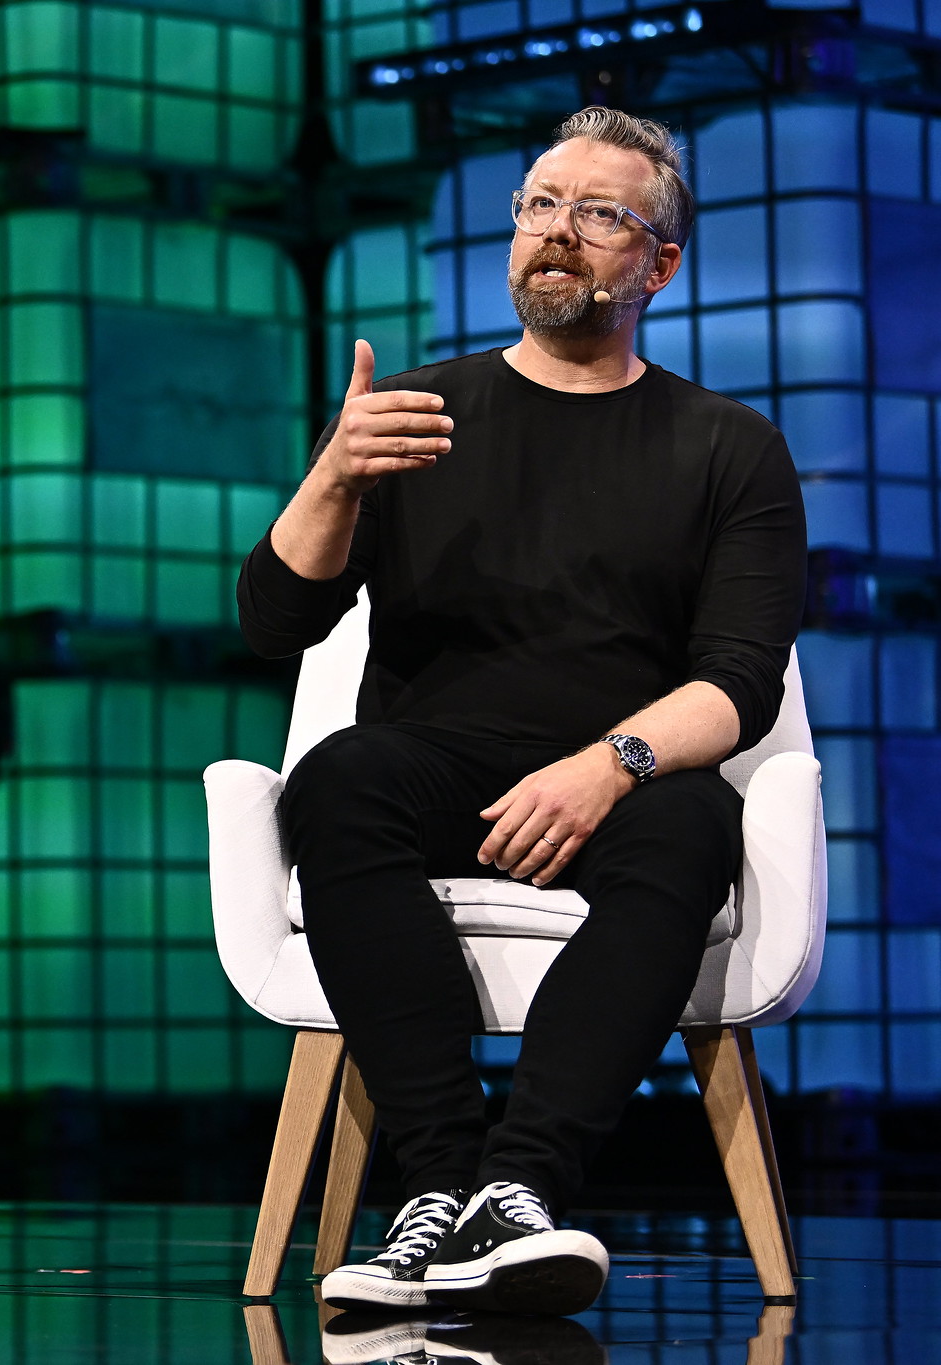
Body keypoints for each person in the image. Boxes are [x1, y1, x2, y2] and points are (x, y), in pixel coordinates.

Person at [236, 106, 807, 1317]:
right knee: (340, 780)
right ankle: (438, 1190)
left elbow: (740, 679)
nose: (558, 232)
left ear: (658, 263)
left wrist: (610, 764)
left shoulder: (728, 445)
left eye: (600, 213)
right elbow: (273, 624)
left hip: (616, 780)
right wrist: (333, 475)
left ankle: (522, 1187)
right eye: (540, 204)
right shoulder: (417, 415)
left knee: (692, 827)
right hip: (437, 765)